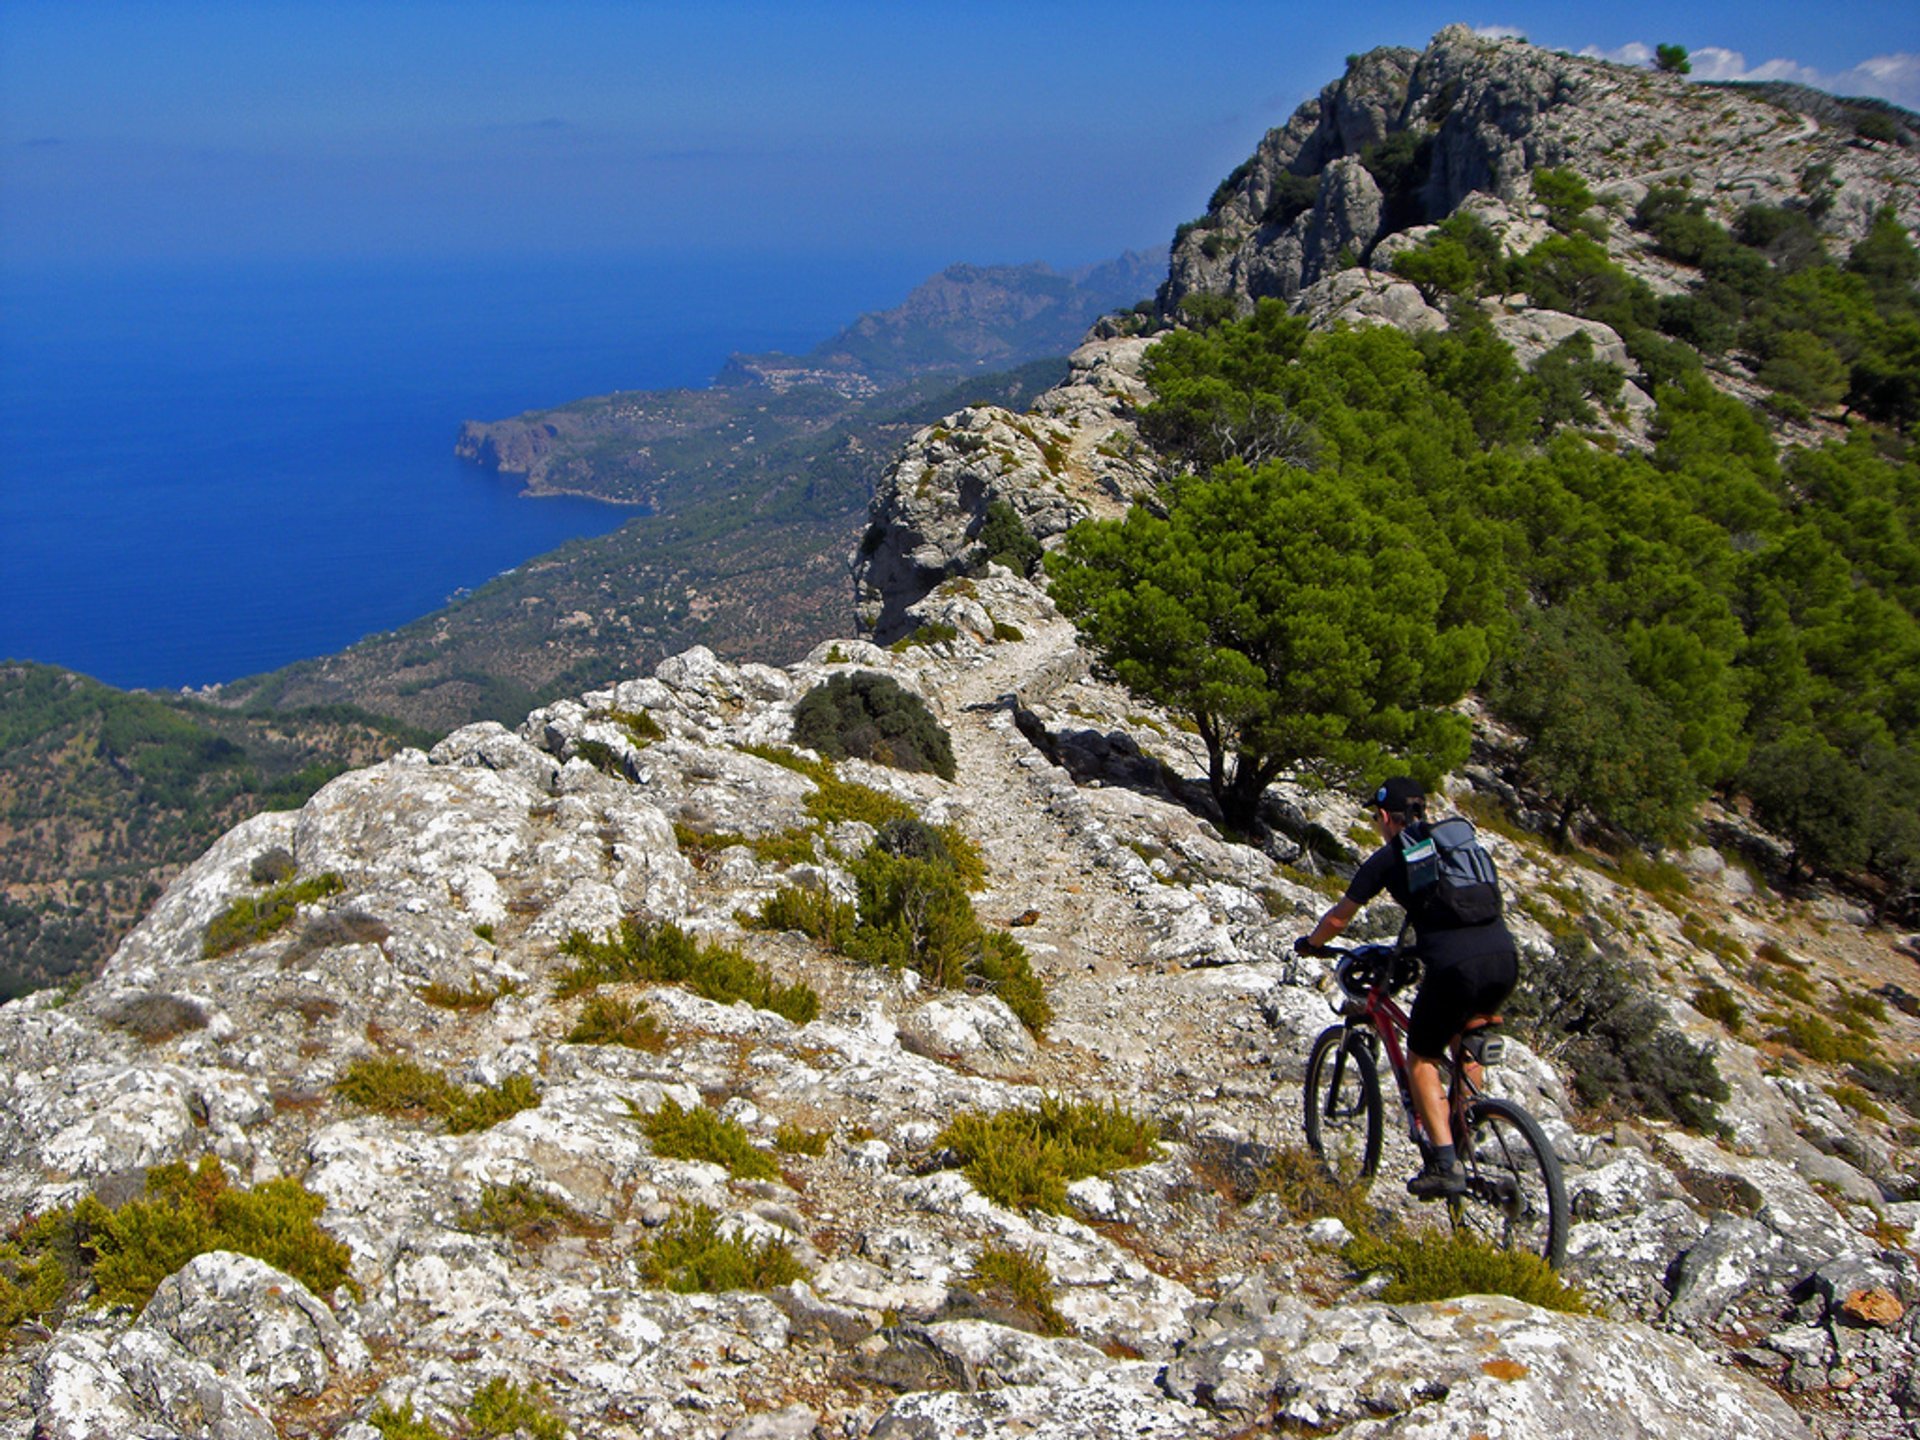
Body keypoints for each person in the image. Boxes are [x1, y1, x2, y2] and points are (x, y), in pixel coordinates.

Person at [1294, 776, 1518, 1198]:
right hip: (1504, 958)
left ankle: (1445, 1163)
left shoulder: (1390, 858)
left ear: (1383, 817)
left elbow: (1340, 918)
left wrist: (1311, 944)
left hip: (1456, 967)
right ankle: (1464, 1123)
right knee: (1467, 1037)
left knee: (1421, 1057)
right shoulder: (1456, 850)